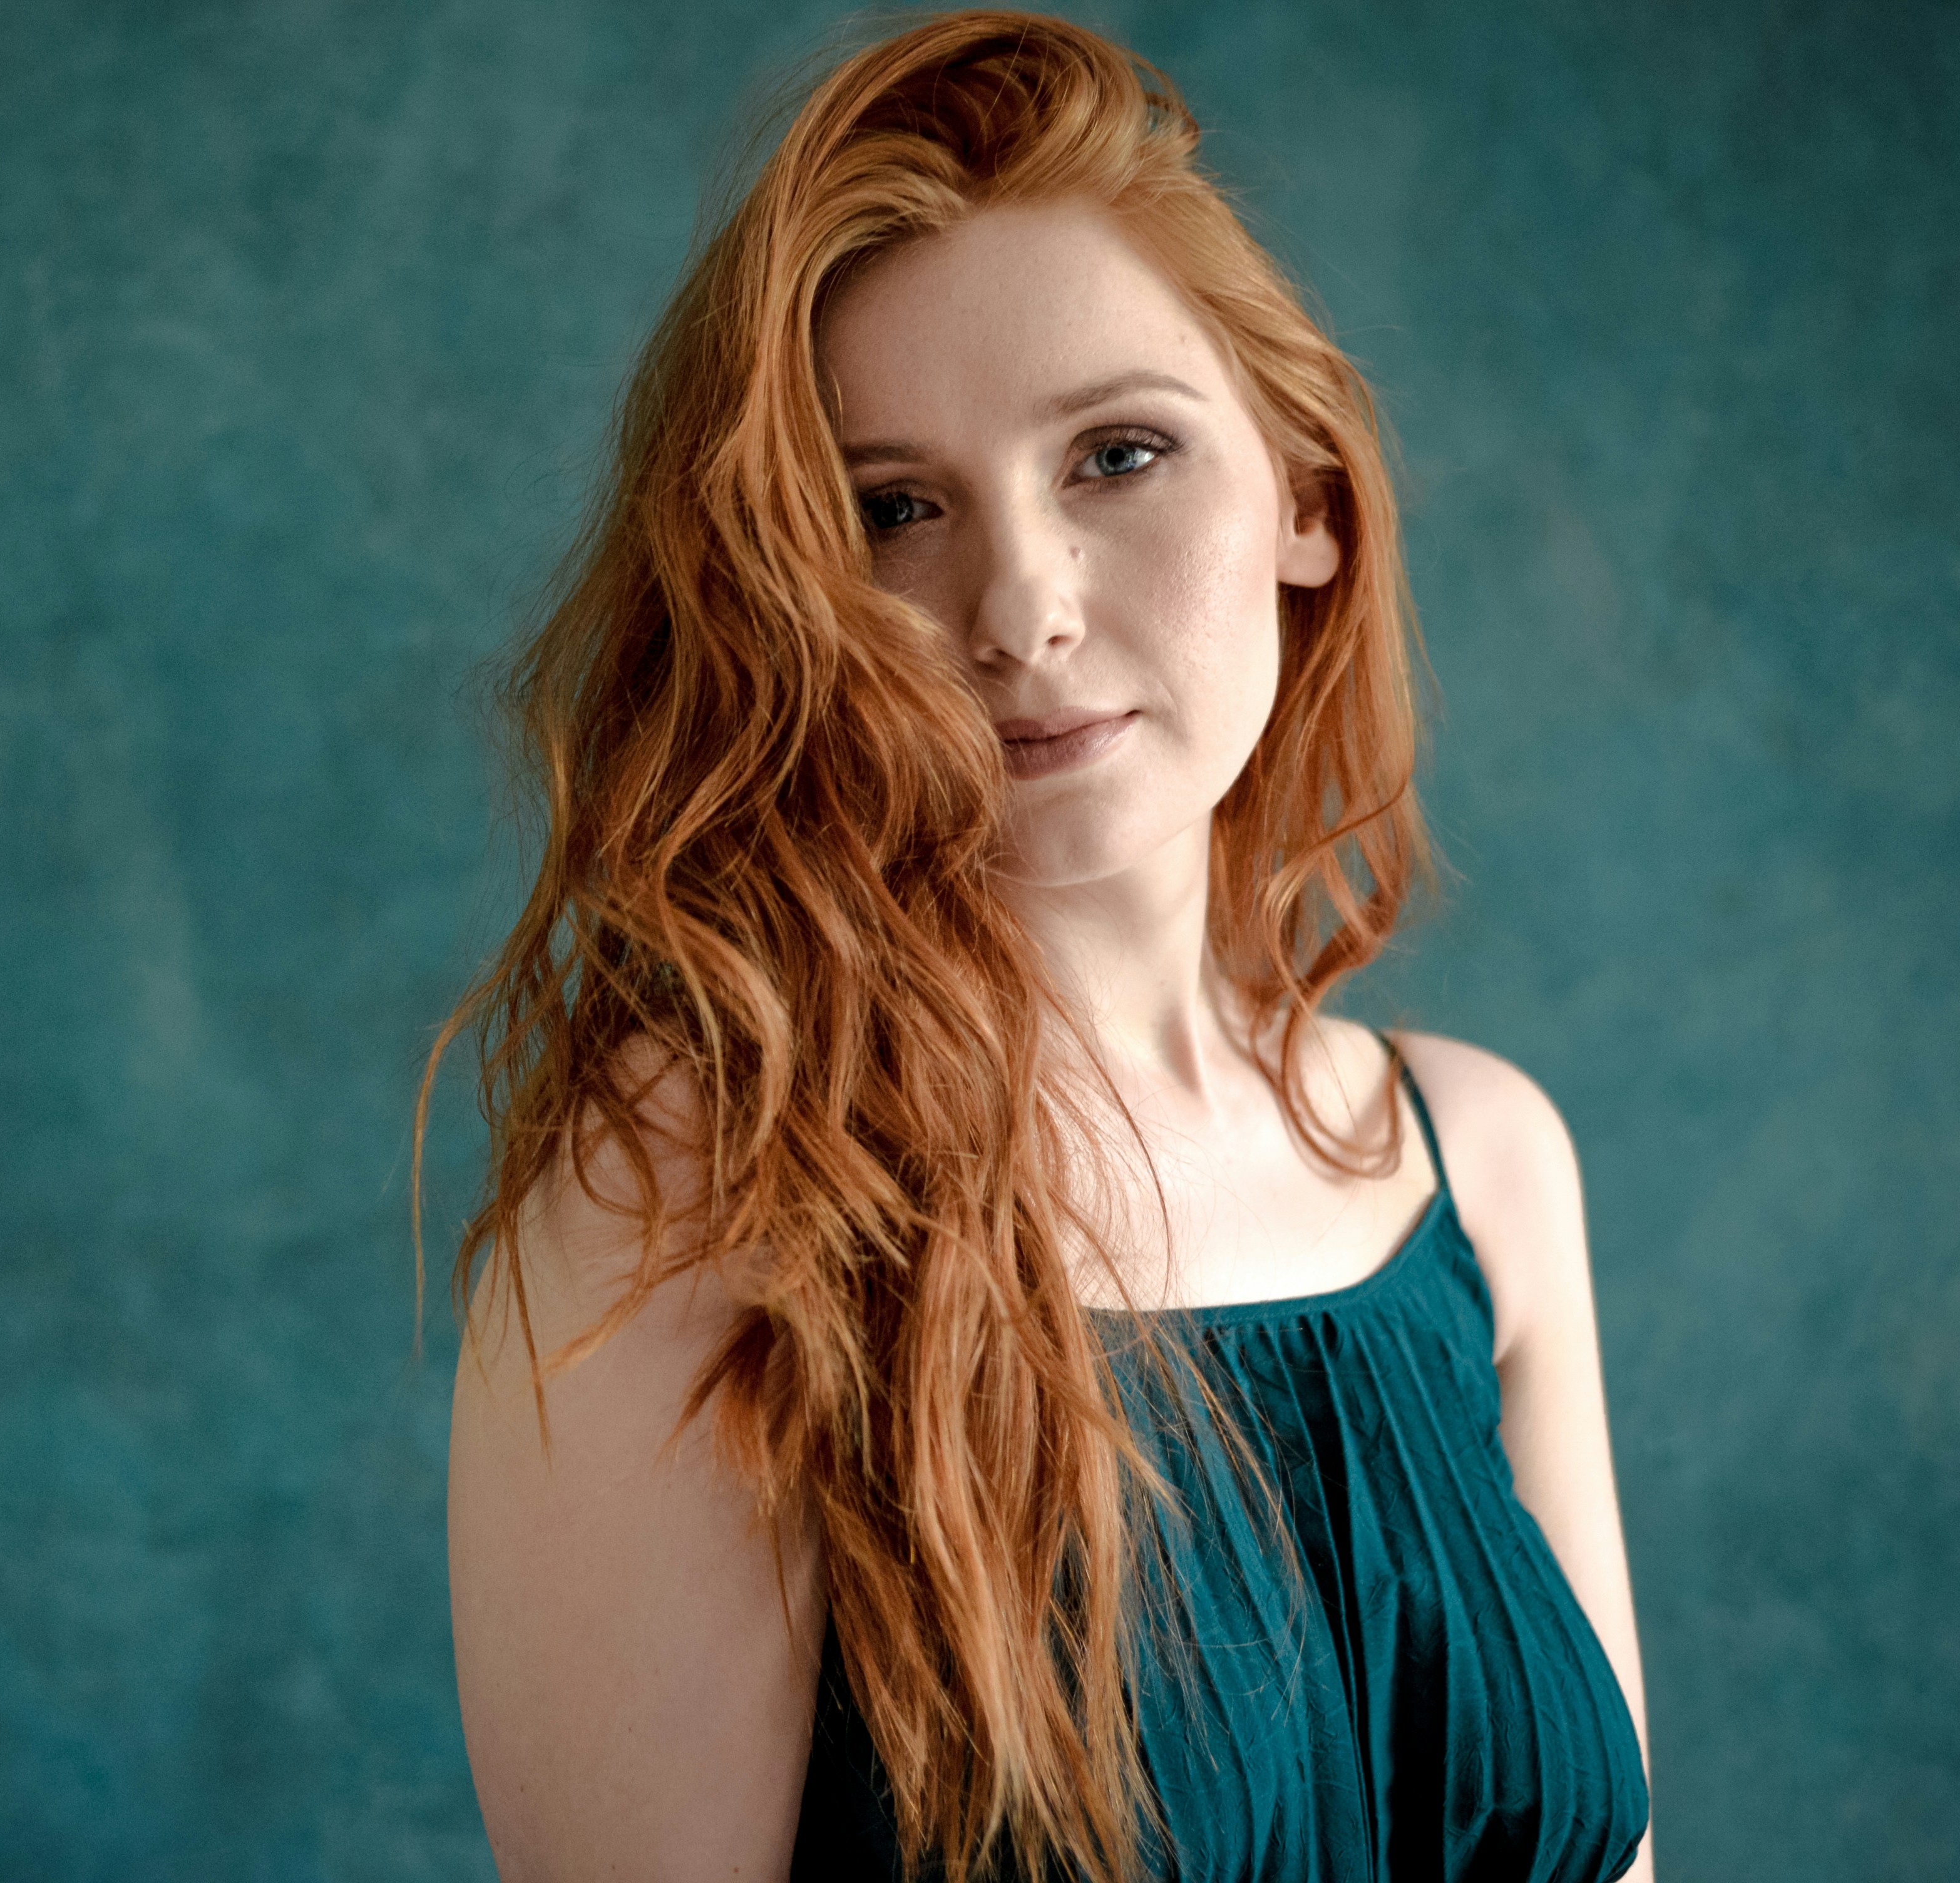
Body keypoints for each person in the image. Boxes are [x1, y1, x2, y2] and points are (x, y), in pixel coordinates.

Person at [426, 13, 1652, 1880]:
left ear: (1308, 499)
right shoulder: (682, 1204)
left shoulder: (1483, 1167)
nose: (1019, 608)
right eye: (894, 511)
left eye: (1119, 456)